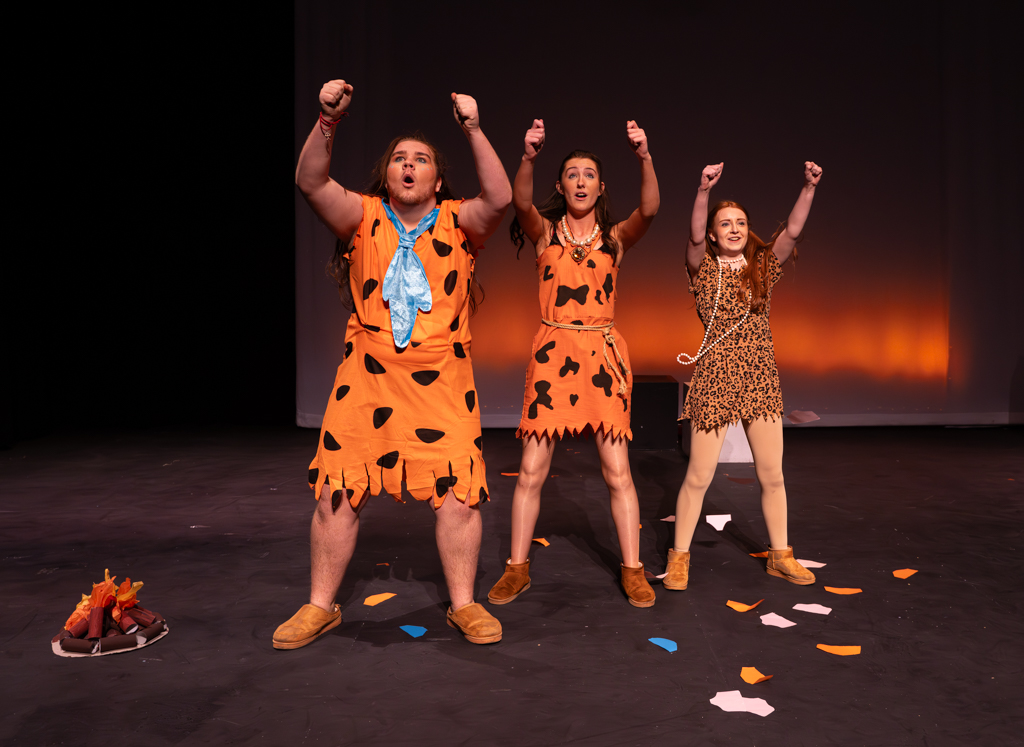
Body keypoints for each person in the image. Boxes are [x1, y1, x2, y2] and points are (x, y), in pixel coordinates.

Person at [273, 79, 512, 648]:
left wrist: (474, 129)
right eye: (400, 159)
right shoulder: (363, 216)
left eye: (421, 159)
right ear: (388, 175)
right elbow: (309, 180)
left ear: (436, 178)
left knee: (459, 494)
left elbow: (501, 199)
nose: (409, 166)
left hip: (444, 378)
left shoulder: (459, 222)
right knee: (337, 489)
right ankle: (318, 605)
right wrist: (327, 121)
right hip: (367, 376)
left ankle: (464, 604)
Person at [486, 119, 660, 608]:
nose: (581, 181)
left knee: (617, 472)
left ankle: (632, 570)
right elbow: (520, 203)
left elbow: (649, 209)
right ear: (561, 186)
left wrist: (644, 155)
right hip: (554, 354)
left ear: (601, 187)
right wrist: (528, 156)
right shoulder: (545, 236)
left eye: (589, 174)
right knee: (531, 472)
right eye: (572, 174)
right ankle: (516, 569)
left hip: (602, 356)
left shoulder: (614, 239)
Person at [666, 161, 823, 591]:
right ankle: (678, 557)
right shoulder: (703, 268)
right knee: (699, 475)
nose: (734, 229)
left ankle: (781, 556)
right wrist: (702, 190)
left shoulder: (762, 268)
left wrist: (808, 187)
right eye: (725, 224)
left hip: (759, 377)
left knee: (772, 474)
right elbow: (694, 237)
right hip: (716, 377)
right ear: (715, 234)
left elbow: (790, 233)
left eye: (740, 222)